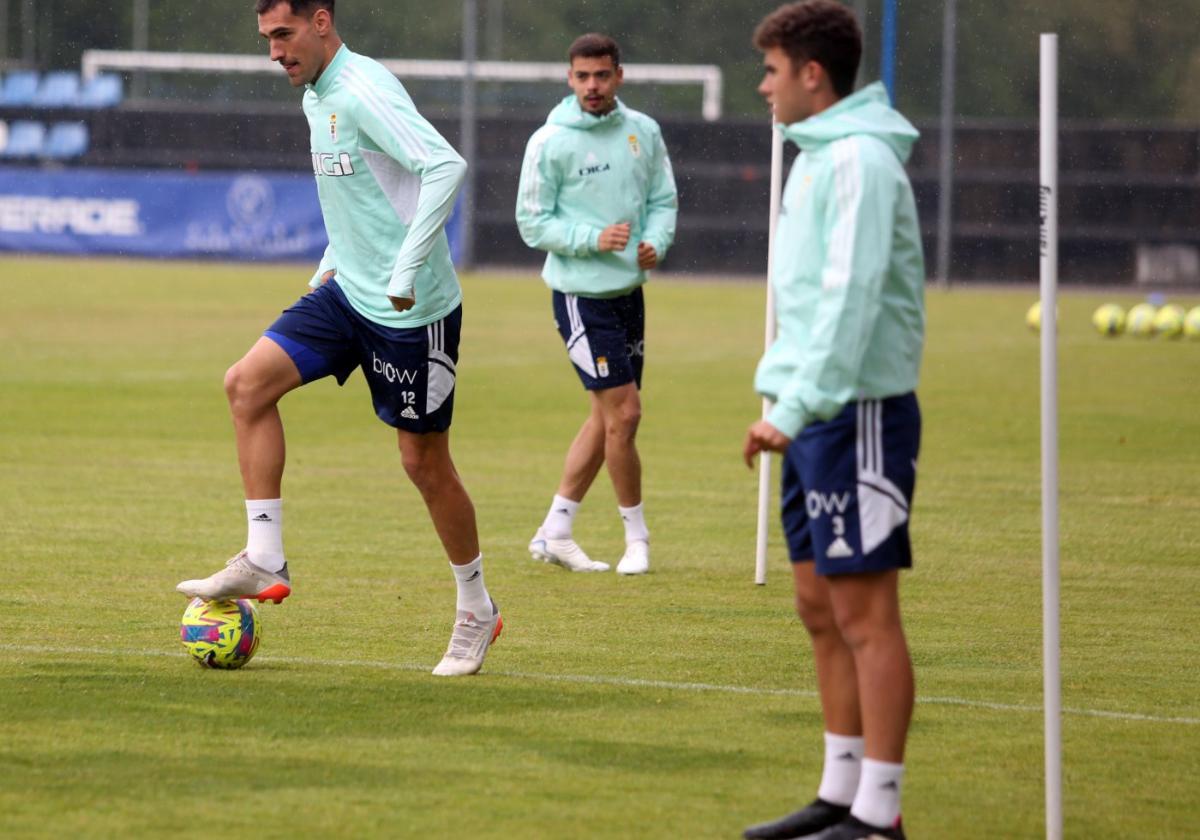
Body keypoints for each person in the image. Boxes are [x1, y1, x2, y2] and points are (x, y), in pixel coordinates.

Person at [176, 0, 501, 678]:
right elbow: (365, 195)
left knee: (423, 465)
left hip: (412, 311)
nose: (275, 53)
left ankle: (476, 608)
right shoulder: (315, 93)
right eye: (267, 39)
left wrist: (406, 269)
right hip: (347, 291)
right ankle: (264, 555)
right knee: (246, 384)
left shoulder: (361, 90)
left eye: (284, 35)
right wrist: (330, 263)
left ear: (322, 22)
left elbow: (445, 168)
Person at [740, 2, 925, 838]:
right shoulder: (817, 156)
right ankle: (839, 793)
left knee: (864, 615)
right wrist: (783, 403)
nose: (763, 86)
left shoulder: (858, 160)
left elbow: (851, 300)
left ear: (813, 74)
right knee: (818, 608)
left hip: (857, 413)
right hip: (809, 413)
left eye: (772, 70)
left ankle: (879, 815)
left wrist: (801, 405)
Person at [515, 33, 678, 576]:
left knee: (605, 416)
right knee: (627, 412)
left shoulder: (642, 132)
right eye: (582, 76)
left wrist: (657, 240)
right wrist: (592, 237)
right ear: (569, 78)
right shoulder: (550, 141)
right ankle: (638, 539)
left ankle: (556, 531)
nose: (592, 85)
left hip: (629, 294)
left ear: (618, 77)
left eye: (601, 75)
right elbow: (532, 222)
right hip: (580, 297)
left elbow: (661, 198)